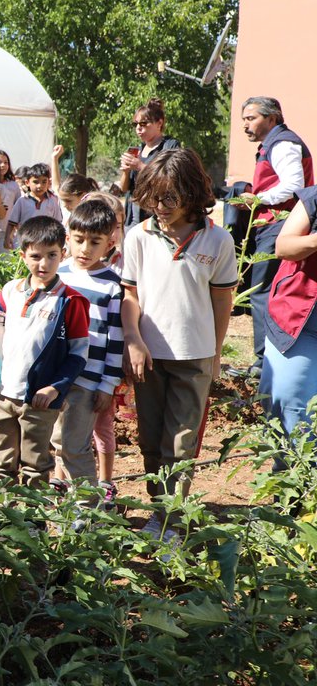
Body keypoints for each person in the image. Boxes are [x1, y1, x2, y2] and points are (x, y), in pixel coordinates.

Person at [122, 148, 236, 542]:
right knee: (150, 438)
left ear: (191, 193)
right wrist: (133, 339)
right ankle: (158, 509)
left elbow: (223, 302)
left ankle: (172, 519)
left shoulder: (218, 240)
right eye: (153, 197)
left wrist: (216, 353)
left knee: (181, 441)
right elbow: (131, 295)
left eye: (170, 198)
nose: (160, 207)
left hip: (195, 355)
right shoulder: (139, 235)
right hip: (149, 356)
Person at [0, 217, 90, 486]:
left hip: (39, 400)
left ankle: (33, 522)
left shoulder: (70, 301)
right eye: (35, 256)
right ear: (22, 256)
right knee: (2, 459)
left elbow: (78, 354)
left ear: (62, 253)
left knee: (35, 463)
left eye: (51, 255)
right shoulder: (9, 291)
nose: (43, 264)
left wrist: (54, 388)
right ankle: (4, 516)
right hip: (4, 393)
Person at [232, 96, 313, 378]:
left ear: (272, 118)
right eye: (243, 119)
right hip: (274, 224)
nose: (245, 125)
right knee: (262, 292)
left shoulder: (283, 143)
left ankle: (264, 361)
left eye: (251, 118)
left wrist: (257, 199)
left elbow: (293, 186)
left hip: (281, 224)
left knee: (263, 293)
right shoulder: (272, 144)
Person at [50, 199, 124, 499]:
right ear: (68, 238)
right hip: (56, 378)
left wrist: (108, 384)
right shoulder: (58, 275)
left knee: (76, 443)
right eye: (79, 240)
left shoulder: (112, 285)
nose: (85, 249)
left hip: (89, 380)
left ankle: (87, 504)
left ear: (110, 243)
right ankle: (66, 492)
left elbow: (115, 338)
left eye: (95, 242)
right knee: (58, 439)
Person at [262, 184, 317, 468]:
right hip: (301, 319)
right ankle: (292, 491)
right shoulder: (315, 197)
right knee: (289, 405)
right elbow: (284, 246)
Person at [117, 98, 180, 229]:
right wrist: (126, 171)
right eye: (135, 124)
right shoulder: (137, 150)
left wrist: (140, 166)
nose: (138, 128)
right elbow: (124, 189)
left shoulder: (169, 146)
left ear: (159, 123)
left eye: (144, 124)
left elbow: (171, 179)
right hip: (133, 217)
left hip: (157, 216)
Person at [4, 163, 63, 248]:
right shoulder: (22, 201)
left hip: (46, 242)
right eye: (36, 182)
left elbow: (58, 223)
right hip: (25, 241)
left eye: (44, 182)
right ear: (27, 182)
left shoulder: (52, 202)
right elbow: (12, 222)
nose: (40, 186)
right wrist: (7, 238)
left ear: (48, 182)